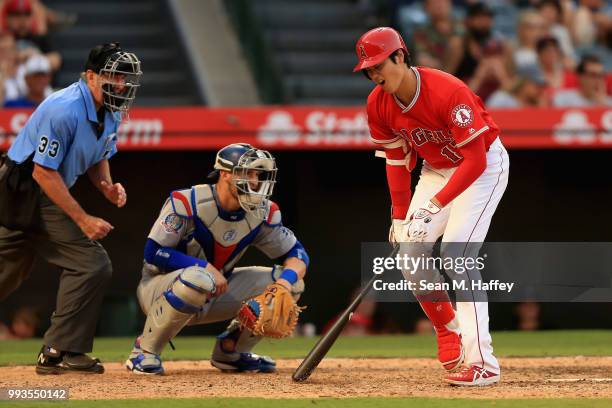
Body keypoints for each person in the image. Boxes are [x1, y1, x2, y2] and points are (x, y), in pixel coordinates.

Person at [353, 27, 509, 386]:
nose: (375, 75)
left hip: (484, 166)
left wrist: (432, 207)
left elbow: (474, 161)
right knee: (409, 251)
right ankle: (445, 327)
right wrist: (399, 216)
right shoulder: (378, 103)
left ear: (400, 56)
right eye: (369, 70)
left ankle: (483, 362)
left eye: (380, 65)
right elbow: (395, 161)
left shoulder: (446, 90)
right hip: (436, 169)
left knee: (456, 256)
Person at [0, 42, 142, 374]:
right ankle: (59, 350)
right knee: (91, 263)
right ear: (91, 76)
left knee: (8, 272)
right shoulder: (63, 108)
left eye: (124, 77)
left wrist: (106, 186)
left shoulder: (112, 110)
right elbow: (42, 171)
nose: (120, 84)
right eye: (112, 76)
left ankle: (67, 350)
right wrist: (83, 219)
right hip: (23, 187)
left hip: (43, 189)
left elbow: (99, 155)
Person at [125, 143, 309, 375]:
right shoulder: (187, 201)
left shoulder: (263, 212)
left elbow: (298, 255)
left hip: (217, 290)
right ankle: (145, 351)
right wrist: (203, 266)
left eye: (257, 174)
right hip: (159, 289)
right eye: (247, 173)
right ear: (225, 174)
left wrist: (284, 283)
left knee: (293, 285)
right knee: (198, 278)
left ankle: (230, 351)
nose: (254, 180)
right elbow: (153, 252)